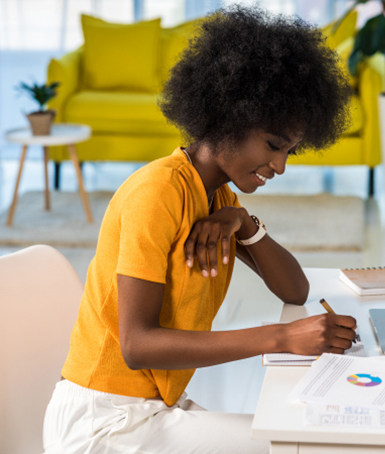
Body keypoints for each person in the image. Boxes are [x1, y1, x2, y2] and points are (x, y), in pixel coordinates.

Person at [43, 6, 355, 453]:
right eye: (272, 145)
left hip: (151, 409)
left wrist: (244, 222)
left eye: (290, 151)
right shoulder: (158, 192)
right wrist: (283, 337)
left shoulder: (218, 196)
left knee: (295, 434)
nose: (281, 166)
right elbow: (137, 345)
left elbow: (295, 290)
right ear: (228, 117)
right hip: (104, 422)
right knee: (295, 444)